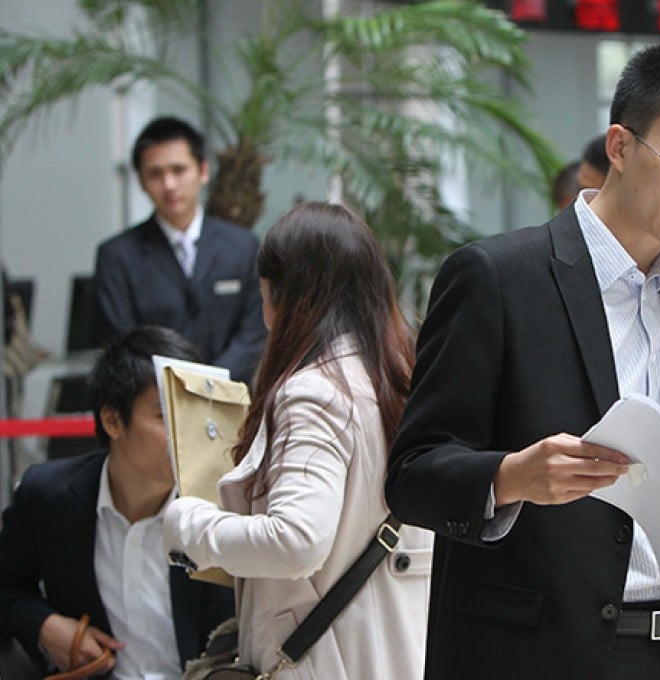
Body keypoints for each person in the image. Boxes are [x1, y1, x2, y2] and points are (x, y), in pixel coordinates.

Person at [386, 39, 660, 680]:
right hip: (529, 652)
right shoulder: (499, 277)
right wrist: (511, 477)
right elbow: (412, 475)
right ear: (620, 147)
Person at [163, 201, 433, 679]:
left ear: (286, 297)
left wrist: (190, 524)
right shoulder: (398, 379)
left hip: (324, 660)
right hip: (392, 650)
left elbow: (295, 541)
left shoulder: (314, 391)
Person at [0, 326, 234, 679]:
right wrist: (46, 625)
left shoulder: (220, 508)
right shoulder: (49, 496)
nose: (186, 433)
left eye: (192, 415)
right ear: (112, 420)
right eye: (164, 416)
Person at [94, 116, 266, 384]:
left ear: (203, 171)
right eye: (155, 174)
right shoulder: (117, 256)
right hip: (153, 405)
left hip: (232, 402)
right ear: (141, 181)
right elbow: (122, 342)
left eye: (179, 169)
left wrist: (209, 386)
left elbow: (254, 332)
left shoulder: (243, 247)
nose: (169, 184)